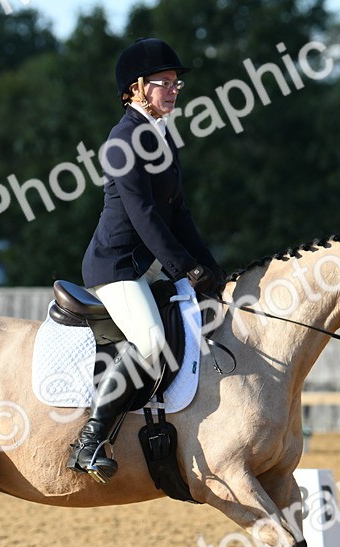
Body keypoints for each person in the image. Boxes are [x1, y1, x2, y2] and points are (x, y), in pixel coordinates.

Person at [68, 37, 224, 483]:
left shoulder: (159, 137)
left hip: (147, 265)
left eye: (176, 83)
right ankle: (90, 440)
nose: (174, 90)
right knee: (152, 340)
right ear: (136, 88)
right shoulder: (123, 140)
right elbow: (145, 217)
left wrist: (212, 269)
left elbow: (180, 216)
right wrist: (183, 269)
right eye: (165, 83)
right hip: (116, 267)